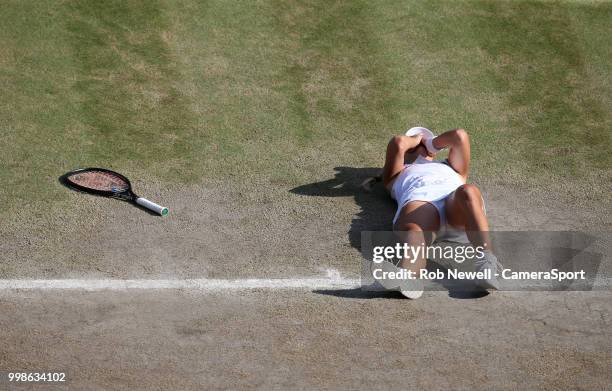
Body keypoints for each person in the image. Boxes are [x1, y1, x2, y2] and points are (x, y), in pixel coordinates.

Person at [376, 127, 500, 299]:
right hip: (422, 206)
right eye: (413, 145)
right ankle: (408, 278)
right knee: (415, 234)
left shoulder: (453, 167)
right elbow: (398, 142)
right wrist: (416, 139)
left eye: (423, 142)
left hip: (456, 206)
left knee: (468, 191)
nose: (419, 147)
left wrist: (430, 143)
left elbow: (459, 136)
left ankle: (486, 264)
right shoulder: (396, 174)